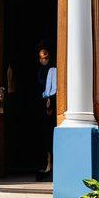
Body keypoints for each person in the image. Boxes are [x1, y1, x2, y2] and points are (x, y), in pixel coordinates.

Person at [35, 46, 57, 182]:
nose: (44, 60)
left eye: (46, 57)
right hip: (41, 106)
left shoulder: (53, 70)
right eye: (42, 58)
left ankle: (50, 165)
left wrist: (49, 100)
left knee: (49, 134)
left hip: (50, 105)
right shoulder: (40, 71)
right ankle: (46, 164)